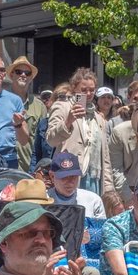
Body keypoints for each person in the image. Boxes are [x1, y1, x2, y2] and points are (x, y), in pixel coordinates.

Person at [46, 68, 111, 198]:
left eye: (92, 90)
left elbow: (105, 157)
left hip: (94, 179)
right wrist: (68, 121)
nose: (88, 93)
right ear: (74, 88)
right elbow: (51, 140)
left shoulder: (99, 118)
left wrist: (109, 187)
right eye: (84, 90)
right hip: (69, 175)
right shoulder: (62, 107)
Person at [7, 56, 45, 172]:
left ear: (31, 78)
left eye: (27, 73)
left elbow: (42, 141)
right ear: (11, 75)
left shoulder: (40, 106)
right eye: (19, 72)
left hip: (29, 168)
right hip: (4, 165)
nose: (23, 75)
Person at [47, 151, 106, 217]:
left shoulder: (93, 200)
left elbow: (101, 226)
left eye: (73, 176)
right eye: (64, 177)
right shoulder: (43, 201)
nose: (70, 181)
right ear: (52, 176)